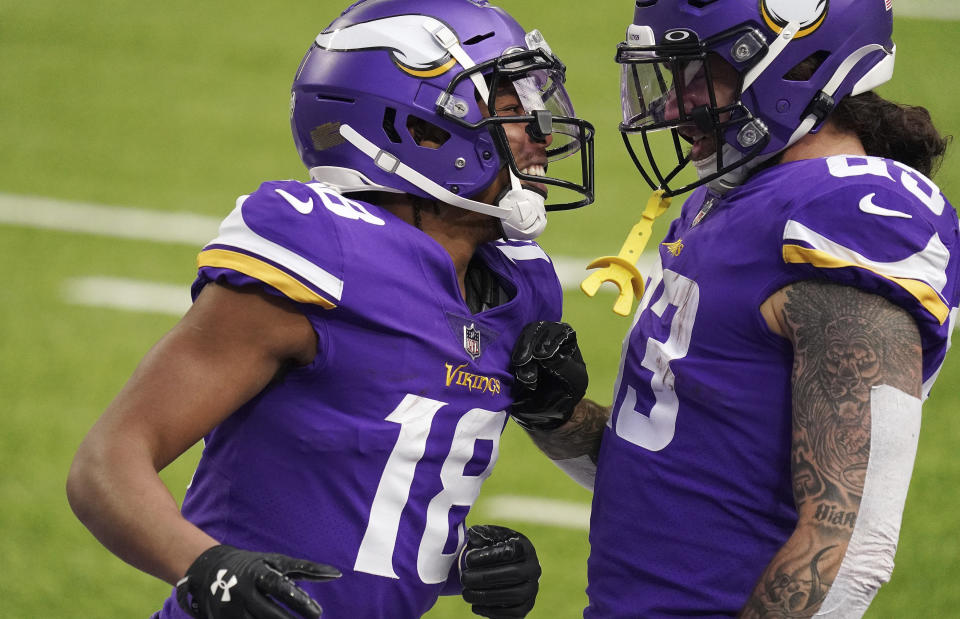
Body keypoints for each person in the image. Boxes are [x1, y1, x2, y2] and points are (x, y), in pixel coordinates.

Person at [66, 1, 595, 618]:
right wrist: (207, 567)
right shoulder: (324, 250)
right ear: (420, 129)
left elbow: (368, 489)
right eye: (511, 112)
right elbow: (107, 463)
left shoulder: (520, 285)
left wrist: (452, 559)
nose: (543, 135)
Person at [508, 0, 958, 616]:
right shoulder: (733, 198)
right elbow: (677, 471)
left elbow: (849, 545)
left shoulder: (847, 217)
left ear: (794, 65)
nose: (670, 106)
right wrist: (555, 414)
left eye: (696, 75)